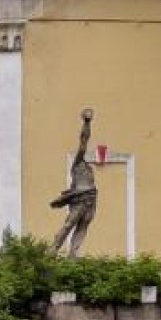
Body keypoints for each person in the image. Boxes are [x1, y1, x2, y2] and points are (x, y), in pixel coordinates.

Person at [51, 108, 97, 258]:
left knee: (83, 227)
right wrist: (87, 122)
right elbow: (84, 141)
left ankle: (73, 253)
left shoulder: (88, 168)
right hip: (80, 199)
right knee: (69, 224)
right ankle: (53, 249)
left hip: (91, 199)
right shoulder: (77, 164)